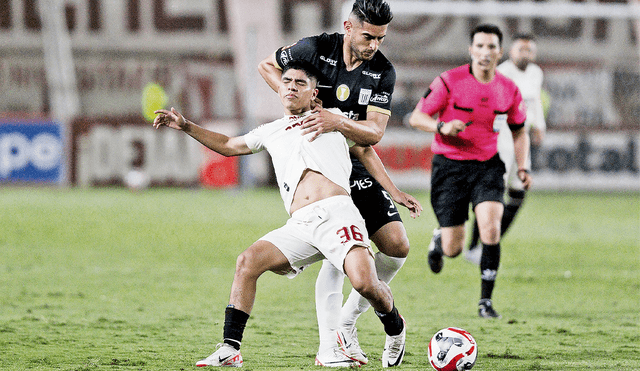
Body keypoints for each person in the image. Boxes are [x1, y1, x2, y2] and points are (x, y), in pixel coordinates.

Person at [153, 63, 409, 368]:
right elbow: (228, 145)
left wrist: (394, 192)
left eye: (300, 83)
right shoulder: (270, 131)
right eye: (286, 81)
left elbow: (366, 150)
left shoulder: (334, 120)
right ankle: (230, 348)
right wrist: (186, 126)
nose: (290, 86)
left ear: (314, 93)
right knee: (247, 262)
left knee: (366, 284)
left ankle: (396, 328)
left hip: (338, 215)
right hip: (300, 224)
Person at [258, 0, 414, 366]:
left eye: (380, 38)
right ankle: (335, 342)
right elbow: (267, 65)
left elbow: (373, 133)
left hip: (353, 158)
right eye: (368, 36)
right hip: (318, 162)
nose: (373, 45)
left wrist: (335, 120)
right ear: (348, 26)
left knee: (396, 246)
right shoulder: (315, 48)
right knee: (337, 256)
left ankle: (348, 318)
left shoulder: (382, 72)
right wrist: (298, 103)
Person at [408, 24, 532, 319]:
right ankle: (440, 239)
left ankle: (485, 302)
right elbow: (416, 117)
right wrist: (441, 126)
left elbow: (519, 132)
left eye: (491, 47)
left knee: (491, 226)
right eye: (479, 46)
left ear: (500, 52)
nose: (485, 52)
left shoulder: (508, 89)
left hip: (487, 166)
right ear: (471, 50)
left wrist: (523, 166)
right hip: (449, 167)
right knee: (453, 248)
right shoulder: (450, 81)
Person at [465, 33, 546, 264]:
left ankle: (489, 241)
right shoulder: (501, 73)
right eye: (521, 49)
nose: (525, 54)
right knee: (493, 195)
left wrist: (539, 125)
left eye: (529, 50)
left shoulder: (535, 73)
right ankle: (474, 246)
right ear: (511, 52)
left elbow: (535, 102)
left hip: (522, 140)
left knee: (518, 194)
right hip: (501, 140)